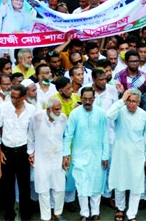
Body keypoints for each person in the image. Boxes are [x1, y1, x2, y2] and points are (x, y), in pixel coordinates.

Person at [63, 86, 110, 221]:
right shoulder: (75, 114)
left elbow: (105, 135)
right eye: (85, 99)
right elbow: (68, 135)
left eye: (90, 99)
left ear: (94, 99)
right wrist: (66, 154)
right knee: (82, 184)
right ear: (81, 99)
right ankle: (84, 213)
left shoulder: (101, 113)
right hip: (79, 156)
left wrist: (105, 155)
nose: (88, 102)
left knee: (96, 183)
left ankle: (95, 213)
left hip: (97, 155)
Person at [106, 89, 146, 221]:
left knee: (136, 185)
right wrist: (121, 101)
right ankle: (120, 208)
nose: (131, 104)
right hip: (120, 153)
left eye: (134, 101)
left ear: (139, 102)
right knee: (120, 182)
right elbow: (109, 115)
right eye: (129, 101)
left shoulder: (144, 115)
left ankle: (132, 214)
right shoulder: (120, 111)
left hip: (137, 154)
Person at [0, 83, 34, 221]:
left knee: (25, 187)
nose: (13, 101)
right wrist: (0, 151)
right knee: (8, 188)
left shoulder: (32, 110)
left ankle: (26, 216)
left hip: (23, 151)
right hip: (7, 151)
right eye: (12, 97)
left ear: (24, 97)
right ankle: (9, 216)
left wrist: (31, 152)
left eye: (16, 98)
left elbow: (32, 132)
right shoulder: (3, 108)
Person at [28, 97, 66, 221]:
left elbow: (66, 137)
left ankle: (58, 213)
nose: (59, 112)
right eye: (56, 109)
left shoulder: (63, 118)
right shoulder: (37, 117)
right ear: (48, 109)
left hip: (58, 157)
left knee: (59, 188)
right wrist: (30, 153)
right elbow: (30, 137)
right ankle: (46, 217)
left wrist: (66, 155)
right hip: (41, 158)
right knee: (43, 189)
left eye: (60, 109)